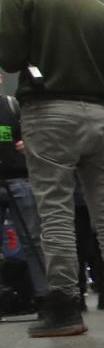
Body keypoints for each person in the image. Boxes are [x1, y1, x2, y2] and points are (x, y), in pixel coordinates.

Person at [0, 0, 104, 336]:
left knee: (56, 213)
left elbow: (9, 58)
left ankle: (64, 309)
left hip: (48, 114)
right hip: (99, 117)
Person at [0, 82, 48, 306]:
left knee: (32, 240)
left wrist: (29, 143)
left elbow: (34, 134)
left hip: (19, 177)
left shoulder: (12, 105)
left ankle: (45, 297)